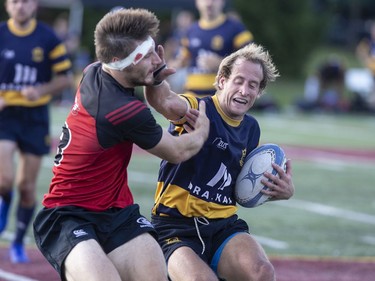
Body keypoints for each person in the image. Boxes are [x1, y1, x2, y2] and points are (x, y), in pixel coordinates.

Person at [33, 8, 209, 281]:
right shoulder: (121, 110)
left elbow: (159, 98)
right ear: (118, 61)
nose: (155, 59)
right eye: (145, 56)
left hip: (117, 212)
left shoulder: (95, 70)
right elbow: (177, 151)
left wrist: (156, 75)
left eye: (153, 48)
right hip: (68, 214)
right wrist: (203, 130)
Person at [144, 43, 295, 281]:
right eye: (239, 80)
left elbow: (242, 189)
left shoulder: (251, 129)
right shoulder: (199, 108)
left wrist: (278, 190)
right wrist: (155, 79)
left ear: (258, 92)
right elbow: (165, 102)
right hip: (175, 227)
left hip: (223, 226)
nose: (244, 90)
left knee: (262, 273)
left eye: (252, 85)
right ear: (222, 81)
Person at [0, 0, 73, 263]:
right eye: (15, 1)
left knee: (27, 187)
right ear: (7, 6)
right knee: (4, 180)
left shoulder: (48, 37)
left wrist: (40, 91)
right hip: (5, 116)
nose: (20, 6)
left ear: (35, 6)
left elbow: (66, 77)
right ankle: (5, 203)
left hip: (35, 118)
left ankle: (18, 241)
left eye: (26, 1)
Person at [170, 0, 254, 97]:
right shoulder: (191, 30)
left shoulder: (236, 28)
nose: (209, 3)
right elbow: (182, 60)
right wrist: (167, 67)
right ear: (197, 2)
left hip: (221, 96)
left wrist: (222, 63)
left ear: (222, 2)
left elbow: (252, 61)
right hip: (192, 95)